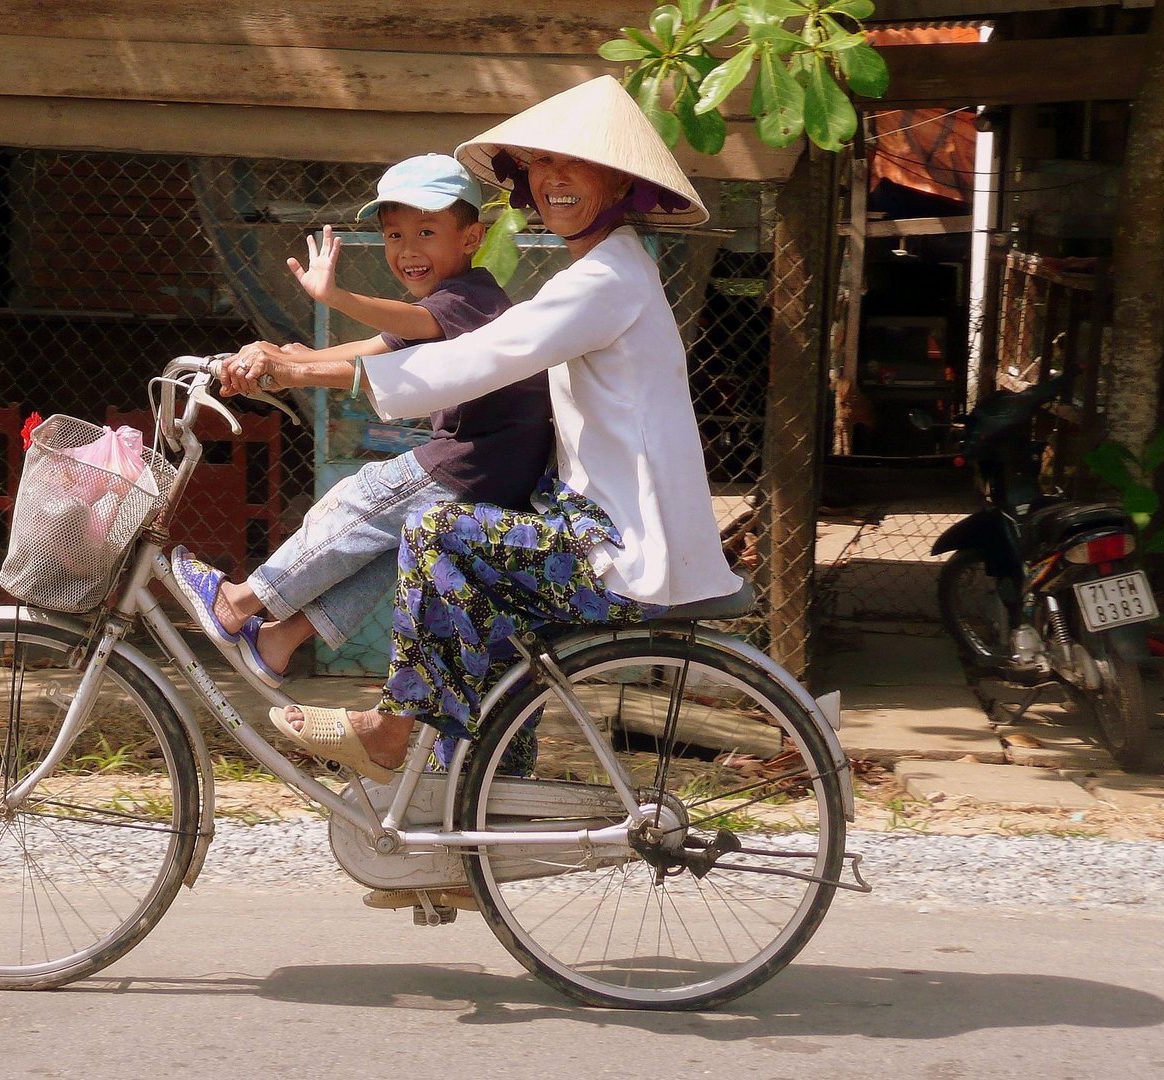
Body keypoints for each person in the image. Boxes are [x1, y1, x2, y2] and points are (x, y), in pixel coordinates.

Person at [220, 75, 745, 785]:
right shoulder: (604, 270)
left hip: (624, 552)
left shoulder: (606, 280)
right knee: (481, 620)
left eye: (574, 164)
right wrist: (297, 362)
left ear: (617, 180)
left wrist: (306, 373)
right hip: (590, 526)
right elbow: (424, 348)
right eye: (541, 165)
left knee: (437, 529)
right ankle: (484, 804)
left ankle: (389, 727)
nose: (553, 180)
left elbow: (479, 358)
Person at [170, 154, 553, 693]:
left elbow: (396, 338)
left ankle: (239, 603)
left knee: (358, 502)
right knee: (382, 553)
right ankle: (278, 641)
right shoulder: (447, 302)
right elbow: (355, 354)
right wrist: (277, 360)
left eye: (426, 231)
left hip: (468, 464)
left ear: (471, 237)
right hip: (497, 477)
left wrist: (335, 298)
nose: (408, 249)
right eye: (394, 235)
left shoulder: (471, 300)